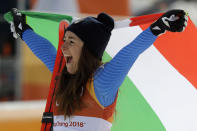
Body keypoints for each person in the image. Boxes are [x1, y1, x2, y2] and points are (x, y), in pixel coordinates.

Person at [10, 8, 188, 131]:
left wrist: (158, 28)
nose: (63, 48)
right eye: (64, 41)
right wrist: (23, 30)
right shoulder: (63, 74)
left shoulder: (101, 84)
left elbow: (128, 53)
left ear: (87, 50)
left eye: (71, 42)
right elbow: (46, 51)